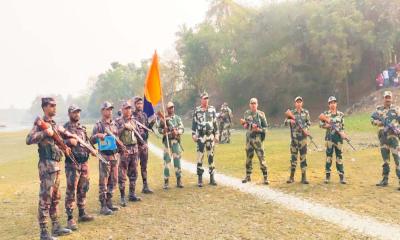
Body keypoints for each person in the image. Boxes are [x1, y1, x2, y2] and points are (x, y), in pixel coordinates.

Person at [26, 97, 72, 240]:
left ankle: (56, 226)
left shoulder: (53, 124)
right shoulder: (41, 124)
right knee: (45, 198)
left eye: (55, 105)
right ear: (45, 107)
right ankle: (44, 232)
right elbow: (29, 139)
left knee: (55, 198)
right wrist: (45, 133)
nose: (54, 108)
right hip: (46, 167)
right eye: (52, 105)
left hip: (56, 166)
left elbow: (56, 142)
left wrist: (65, 147)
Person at [63, 104, 94, 231]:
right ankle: (70, 218)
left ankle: (82, 213)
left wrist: (91, 149)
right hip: (72, 164)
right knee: (71, 190)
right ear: (69, 113)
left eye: (78, 112)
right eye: (74, 112)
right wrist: (68, 142)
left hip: (84, 163)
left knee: (83, 188)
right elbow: (58, 142)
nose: (77, 114)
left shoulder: (82, 128)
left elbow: (86, 142)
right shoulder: (64, 128)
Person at [90, 101, 121, 215]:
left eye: (111, 109)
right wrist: (98, 136)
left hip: (114, 155)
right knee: (104, 181)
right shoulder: (98, 125)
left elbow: (117, 138)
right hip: (104, 156)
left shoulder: (114, 124)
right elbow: (91, 140)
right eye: (107, 109)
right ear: (102, 111)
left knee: (113, 180)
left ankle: (109, 202)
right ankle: (103, 206)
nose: (110, 111)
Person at [371, 91, 400, 189]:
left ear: (391, 98)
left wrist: (396, 128)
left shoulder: (396, 109)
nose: (388, 99)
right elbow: (372, 119)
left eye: (389, 97)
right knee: (385, 160)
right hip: (383, 139)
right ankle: (384, 179)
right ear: (383, 98)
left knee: (397, 160)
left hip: (394, 139)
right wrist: (378, 123)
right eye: (386, 97)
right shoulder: (378, 110)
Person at [116, 101, 141, 206]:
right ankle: (122, 197)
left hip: (134, 150)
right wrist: (124, 127)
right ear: (122, 110)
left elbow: (138, 133)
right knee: (122, 175)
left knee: (134, 173)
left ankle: (132, 194)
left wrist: (141, 143)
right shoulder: (118, 121)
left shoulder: (134, 121)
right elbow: (115, 134)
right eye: (126, 108)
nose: (128, 110)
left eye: (130, 108)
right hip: (124, 151)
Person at [192, 92, 219, 187]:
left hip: (210, 136)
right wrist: (193, 134)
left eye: (207, 98)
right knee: (200, 157)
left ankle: (212, 178)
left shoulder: (212, 109)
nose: (206, 100)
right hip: (201, 136)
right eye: (204, 98)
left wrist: (217, 134)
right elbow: (194, 123)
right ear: (201, 100)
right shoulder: (197, 110)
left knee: (211, 156)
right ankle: (200, 179)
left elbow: (215, 123)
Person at [241, 98, 269, 185]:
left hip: (258, 140)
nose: (253, 105)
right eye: (252, 103)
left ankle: (265, 177)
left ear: (257, 104)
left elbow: (266, 128)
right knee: (248, 158)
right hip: (249, 139)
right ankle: (248, 176)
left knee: (262, 158)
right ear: (250, 105)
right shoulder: (247, 113)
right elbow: (245, 124)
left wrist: (259, 130)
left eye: (255, 103)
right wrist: (247, 125)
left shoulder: (261, 114)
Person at [319, 96, 347, 184]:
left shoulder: (341, 114)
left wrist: (343, 134)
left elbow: (342, 127)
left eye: (334, 102)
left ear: (336, 104)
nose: (332, 104)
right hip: (329, 139)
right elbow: (320, 124)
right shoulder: (325, 114)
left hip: (338, 139)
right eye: (331, 103)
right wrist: (329, 125)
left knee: (339, 157)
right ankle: (327, 176)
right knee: (329, 157)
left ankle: (341, 177)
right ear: (328, 105)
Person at [158, 101, 185, 189]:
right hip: (167, 142)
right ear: (167, 109)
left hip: (176, 143)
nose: (172, 109)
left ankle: (179, 180)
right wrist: (164, 131)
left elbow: (182, 128)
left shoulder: (177, 118)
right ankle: (166, 181)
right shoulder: (164, 119)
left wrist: (177, 132)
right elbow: (159, 129)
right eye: (170, 107)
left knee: (177, 161)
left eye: (172, 107)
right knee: (167, 162)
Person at [284, 96, 311, 184]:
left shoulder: (306, 112)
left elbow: (308, 123)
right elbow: (285, 123)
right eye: (297, 102)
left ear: (302, 103)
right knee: (293, 159)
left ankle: (304, 177)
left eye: (300, 102)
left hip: (303, 139)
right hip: (294, 139)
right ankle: (291, 177)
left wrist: (306, 129)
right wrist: (290, 121)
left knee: (303, 159)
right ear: (295, 103)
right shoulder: (291, 113)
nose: (298, 103)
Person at [132, 96, 155, 194]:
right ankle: (132, 189)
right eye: (138, 104)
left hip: (144, 144)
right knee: (134, 166)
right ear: (135, 105)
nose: (140, 105)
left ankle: (145, 186)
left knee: (144, 166)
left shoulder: (145, 115)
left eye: (141, 103)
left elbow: (147, 128)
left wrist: (152, 123)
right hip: (136, 145)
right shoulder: (132, 116)